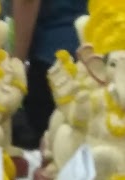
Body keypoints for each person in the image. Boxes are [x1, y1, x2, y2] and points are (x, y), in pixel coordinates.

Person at [11, 0, 90, 149]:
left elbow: (27, 2)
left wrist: (18, 63)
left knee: (51, 148)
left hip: (53, 61)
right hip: (99, 58)